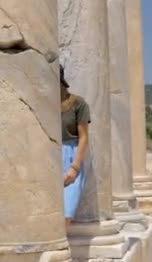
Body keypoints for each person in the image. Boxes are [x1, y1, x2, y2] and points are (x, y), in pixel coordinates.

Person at [60, 65, 90, 225]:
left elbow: (84, 137)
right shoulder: (44, 103)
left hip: (71, 155)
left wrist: (75, 167)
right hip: (49, 156)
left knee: (66, 212)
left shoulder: (78, 103)